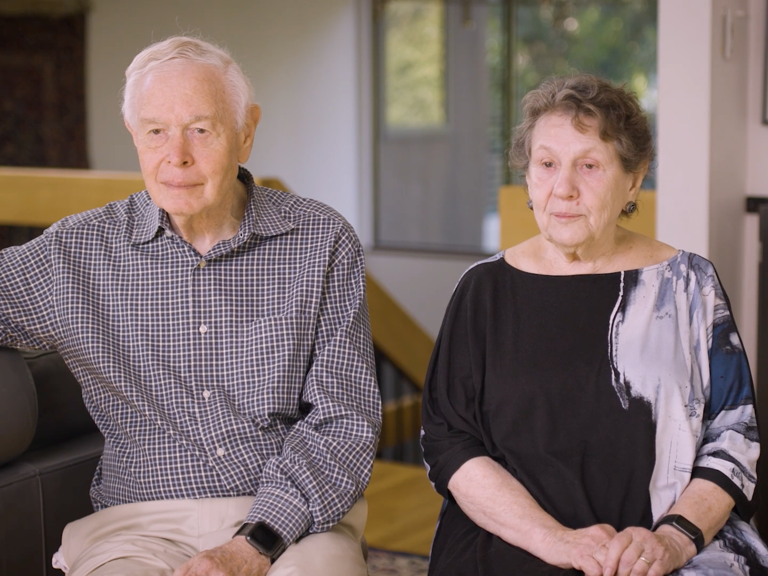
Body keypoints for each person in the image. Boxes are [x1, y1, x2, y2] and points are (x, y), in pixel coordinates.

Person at [0, 36, 381, 576]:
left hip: (291, 527)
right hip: (135, 527)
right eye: (156, 132)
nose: (176, 156)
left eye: (201, 130)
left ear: (246, 132)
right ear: (135, 136)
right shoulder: (77, 252)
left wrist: (251, 547)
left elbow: (345, 421)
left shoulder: (320, 240)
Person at [421, 74, 768, 576]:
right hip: (515, 538)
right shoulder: (483, 290)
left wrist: (673, 538)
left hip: (669, 537)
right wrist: (556, 541)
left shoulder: (690, 284)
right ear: (528, 177)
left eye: (589, 165)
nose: (563, 188)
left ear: (634, 177)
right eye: (546, 164)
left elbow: (735, 435)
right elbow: (448, 440)